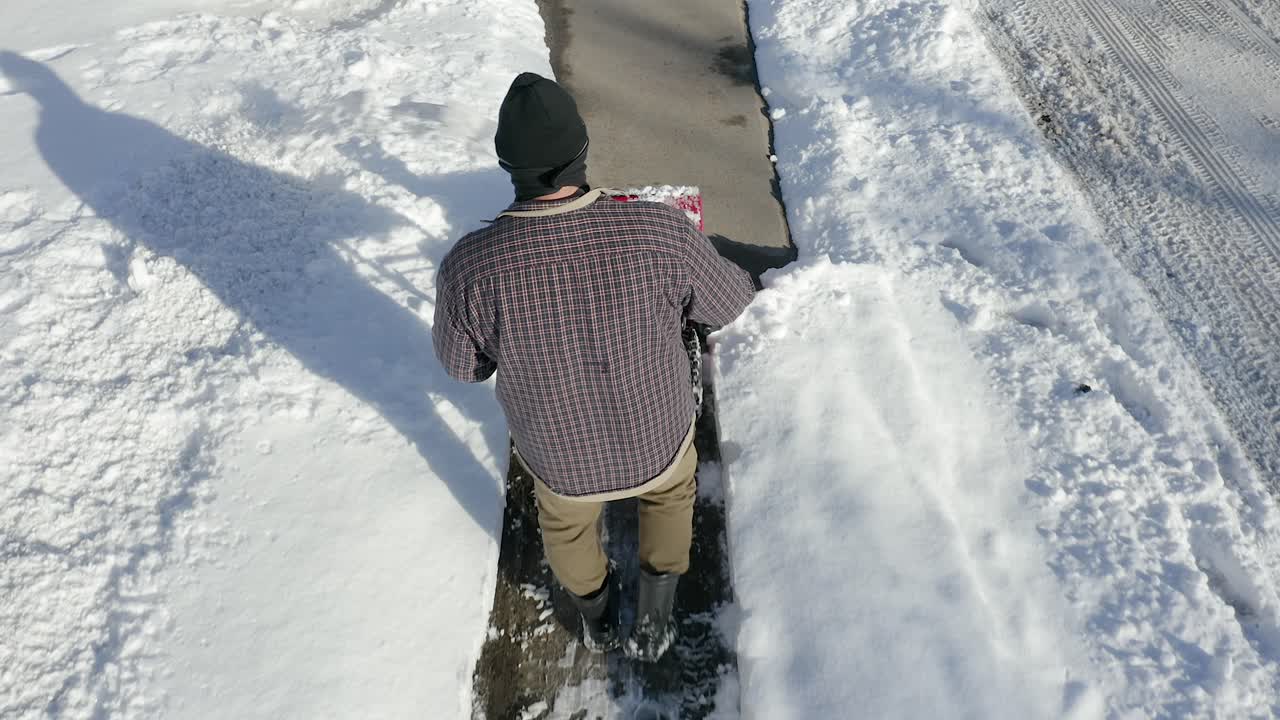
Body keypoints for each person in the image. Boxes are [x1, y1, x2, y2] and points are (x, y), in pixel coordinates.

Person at [432, 72, 754, 662]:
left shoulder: (468, 268)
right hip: (659, 435)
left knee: (568, 528)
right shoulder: (659, 231)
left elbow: (463, 369)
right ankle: (655, 618)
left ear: (509, 165)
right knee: (669, 499)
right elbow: (727, 302)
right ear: (582, 153)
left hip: (559, 457)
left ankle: (597, 620)